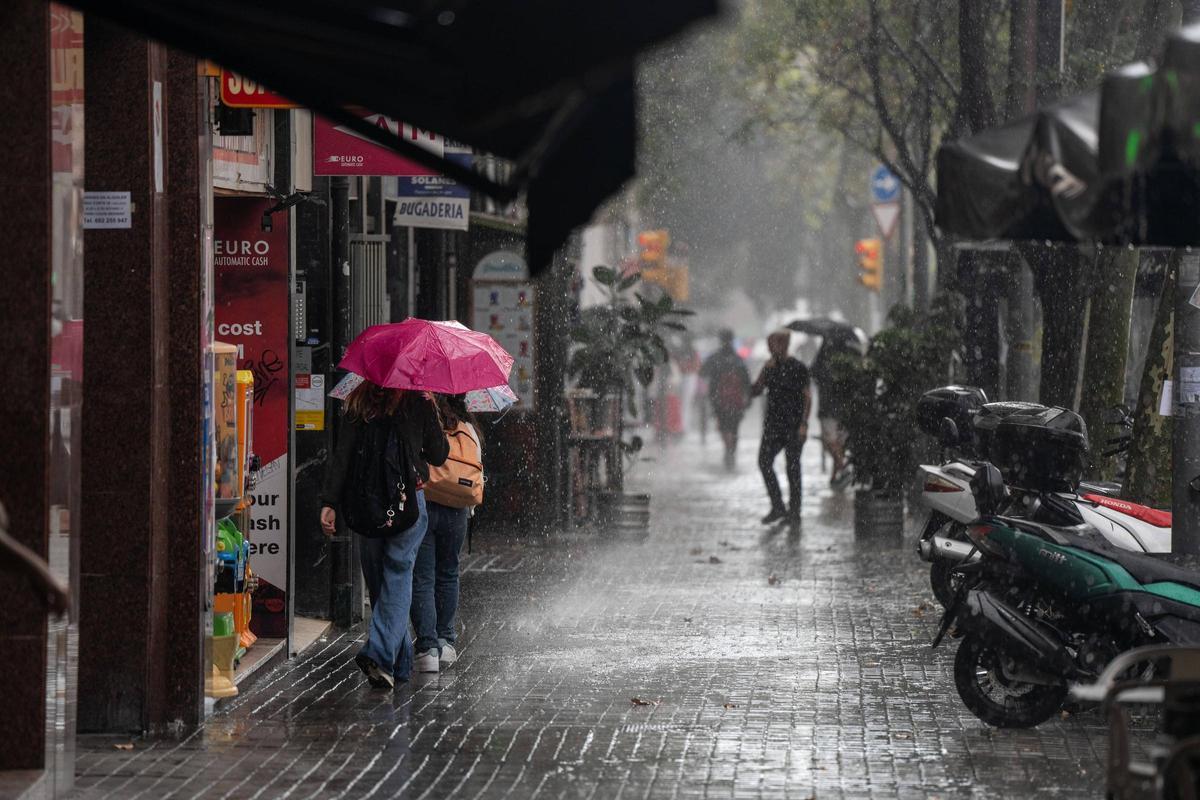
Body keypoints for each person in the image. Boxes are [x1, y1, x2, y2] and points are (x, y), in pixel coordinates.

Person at [319, 382, 449, 689]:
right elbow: (439, 454)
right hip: (409, 504)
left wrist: (329, 502)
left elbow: (343, 456)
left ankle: (391, 662)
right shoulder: (418, 401)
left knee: (381, 580)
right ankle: (383, 656)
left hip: (368, 503)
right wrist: (433, 413)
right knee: (397, 575)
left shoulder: (358, 403)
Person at [410, 394, 482, 674]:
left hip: (425, 503)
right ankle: (446, 641)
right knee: (448, 572)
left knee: (423, 575)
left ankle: (427, 647)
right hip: (457, 508)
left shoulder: (423, 420)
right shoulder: (468, 427)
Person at [751, 330, 812, 524]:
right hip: (773, 426)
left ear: (783, 345)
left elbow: (807, 397)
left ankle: (795, 511)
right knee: (764, 462)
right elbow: (755, 391)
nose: (769, 348)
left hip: (793, 425)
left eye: (773, 344)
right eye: (768, 344)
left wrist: (804, 423)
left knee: (793, 467)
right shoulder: (769, 368)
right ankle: (778, 506)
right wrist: (763, 371)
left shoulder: (798, 367)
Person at [700, 329, 751, 469]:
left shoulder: (715, 357)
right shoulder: (738, 359)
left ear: (720, 340)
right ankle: (731, 451)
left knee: (723, 426)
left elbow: (702, 372)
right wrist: (748, 400)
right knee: (734, 428)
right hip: (736, 400)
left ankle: (727, 448)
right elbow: (746, 380)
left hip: (719, 399)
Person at [811, 336, 854, 489]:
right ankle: (836, 476)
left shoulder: (823, 359)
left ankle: (842, 468)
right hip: (845, 409)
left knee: (831, 442)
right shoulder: (849, 358)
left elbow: (814, 373)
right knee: (838, 443)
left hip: (829, 409)